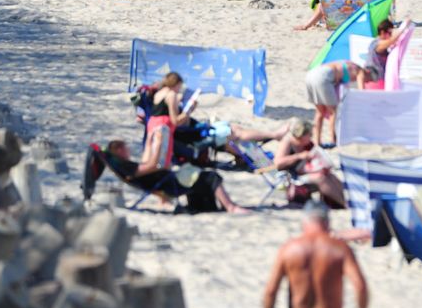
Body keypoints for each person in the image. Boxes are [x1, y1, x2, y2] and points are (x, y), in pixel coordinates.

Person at [262, 202, 368, 308]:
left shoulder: (289, 249)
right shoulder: (340, 248)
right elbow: (360, 286)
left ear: (304, 222)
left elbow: (271, 291)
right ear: (326, 222)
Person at [98, 140, 249, 214]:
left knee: (198, 177)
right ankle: (231, 206)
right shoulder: (128, 167)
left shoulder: (126, 166)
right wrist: (157, 150)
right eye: (125, 149)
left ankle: (201, 206)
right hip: (169, 184)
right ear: (118, 150)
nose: (128, 150)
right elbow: (151, 166)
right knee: (211, 176)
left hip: (168, 181)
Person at [275, 119, 347, 208]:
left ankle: (347, 201)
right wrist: (299, 156)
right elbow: (278, 163)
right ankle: (344, 204)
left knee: (330, 175)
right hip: (292, 177)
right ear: (302, 135)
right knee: (320, 178)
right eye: (309, 135)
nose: (311, 137)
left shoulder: (307, 144)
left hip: (305, 172)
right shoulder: (288, 142)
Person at [303, 61, 374, 147]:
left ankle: (317, 142)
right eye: (369, 79)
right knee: (333, 112)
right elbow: (362, 92)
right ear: (368, 72)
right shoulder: (360, 71)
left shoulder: (348, 64)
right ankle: (333, 141)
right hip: (323, 77)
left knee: (320, 112)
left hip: (311, 75)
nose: (367, 82)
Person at [136, 72, 190, 177]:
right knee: (161, 158)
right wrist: (187, 112)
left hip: (152, 123)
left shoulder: (159, 93)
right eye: (180, 86)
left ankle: (142, 174)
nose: (180, 89)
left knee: (149, 152)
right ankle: (156, 178)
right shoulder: (171, 94)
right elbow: (175, 121)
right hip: (163, 127)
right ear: (176, 84)